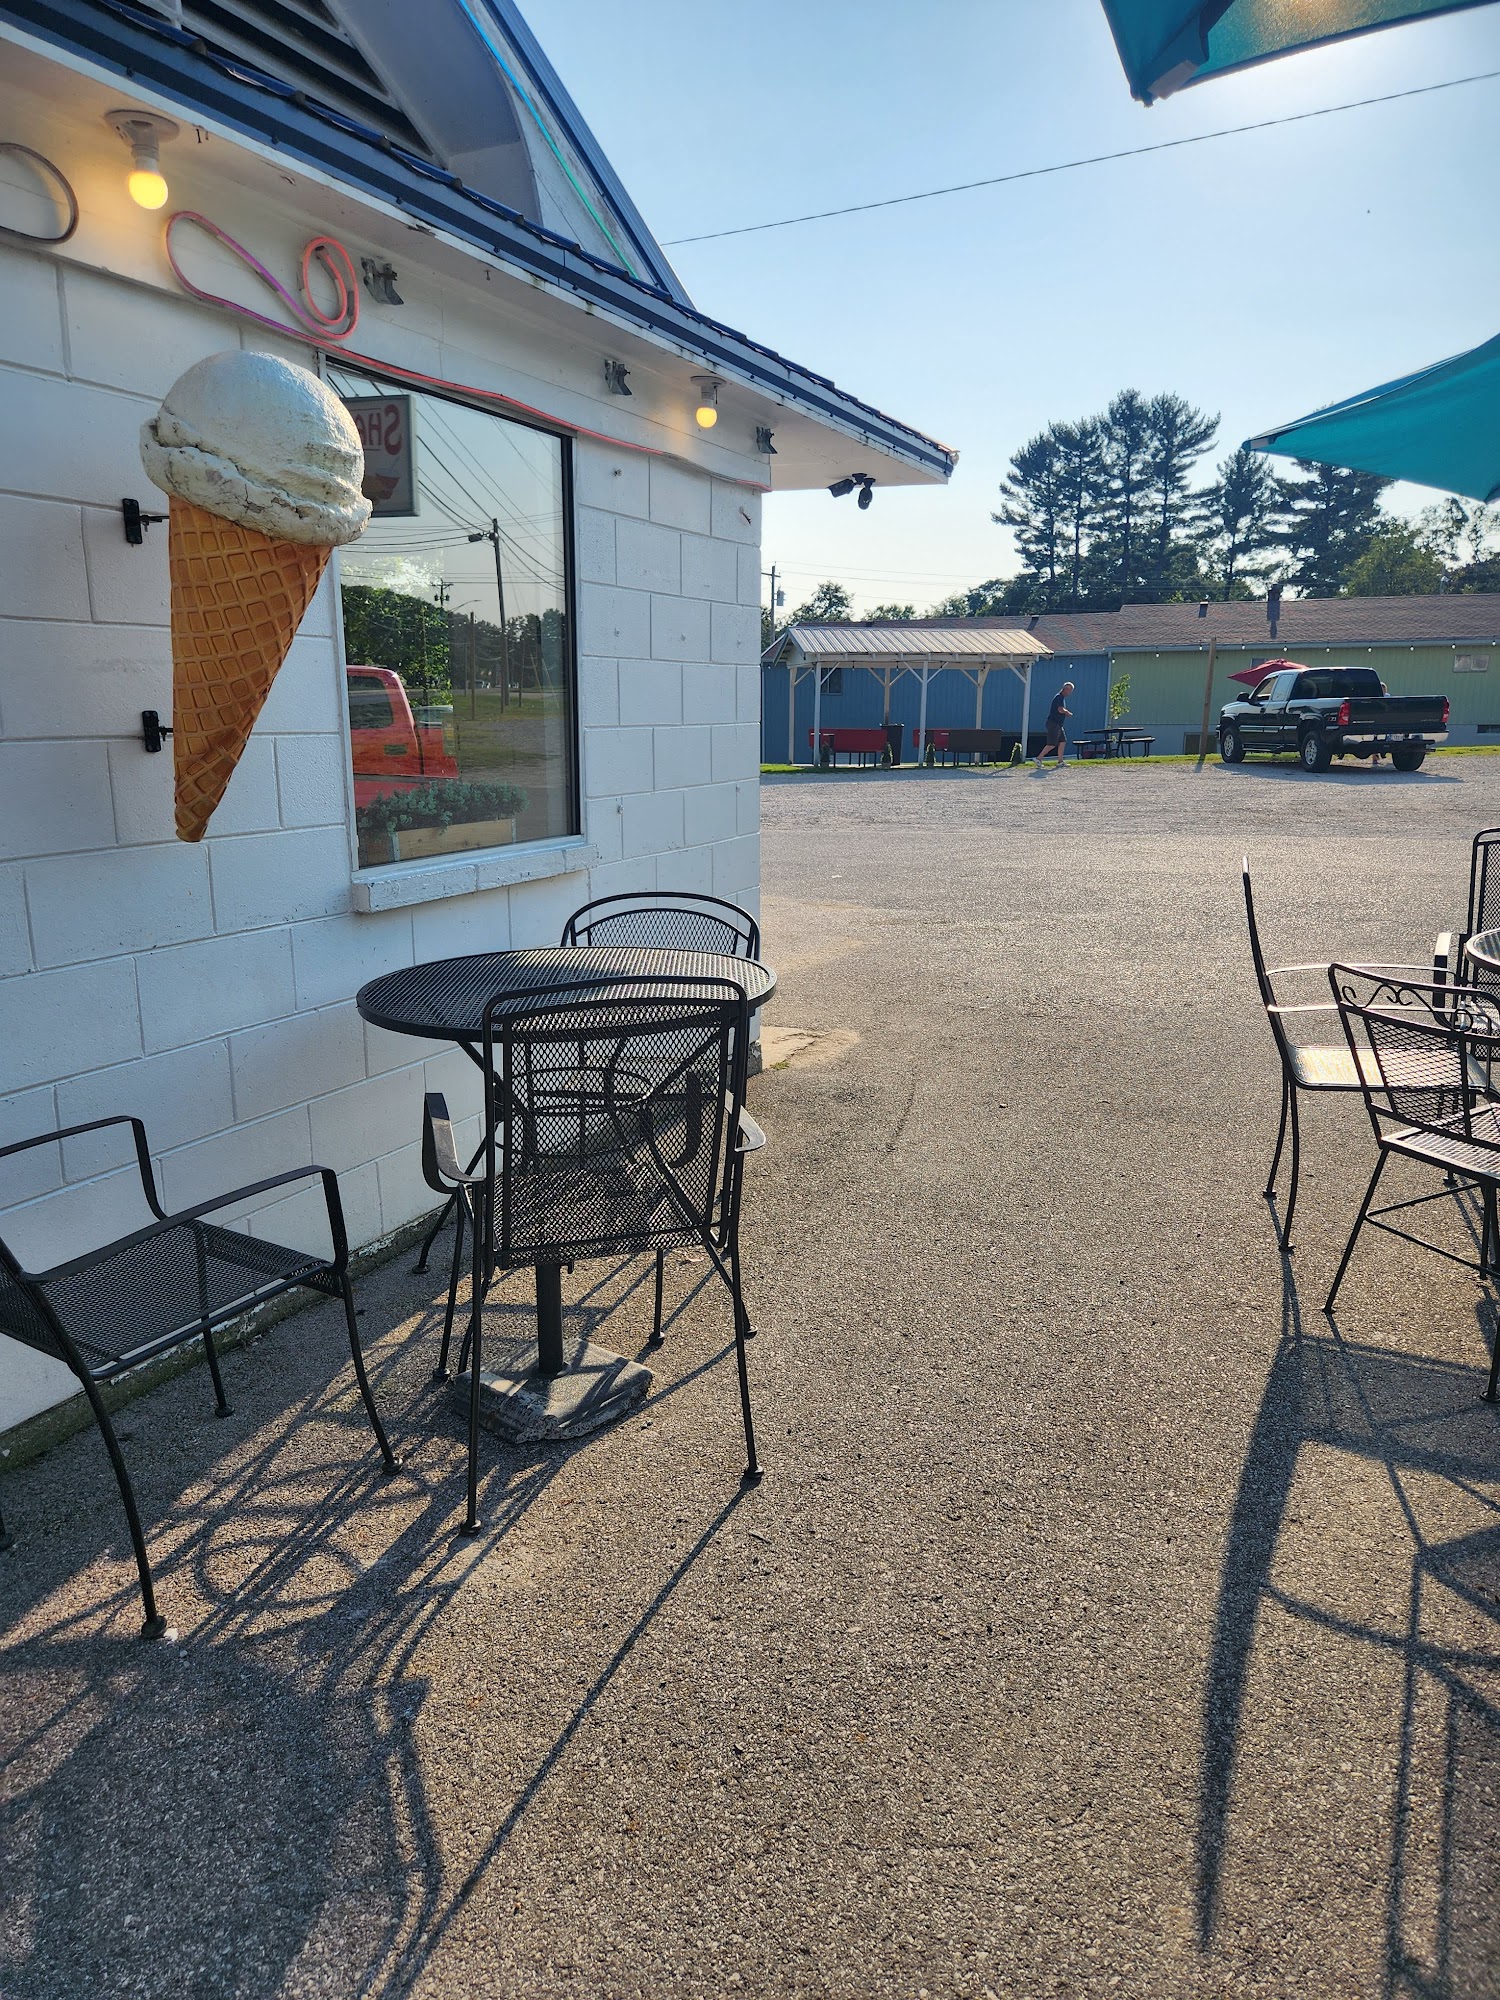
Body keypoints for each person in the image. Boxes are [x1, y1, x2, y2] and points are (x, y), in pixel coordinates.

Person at [1036, 681, 1075, 770]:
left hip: (1058, 725)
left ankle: (1060, 761)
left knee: (1062, 741)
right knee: (1052, 744)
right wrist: (1067, 712)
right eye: (1070, 690)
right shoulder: (1059, 698)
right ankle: (1038, 758)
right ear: (1065, 689)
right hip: (1054, 724)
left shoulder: (1060, 698)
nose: (1070, 692)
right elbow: (1060, 709)